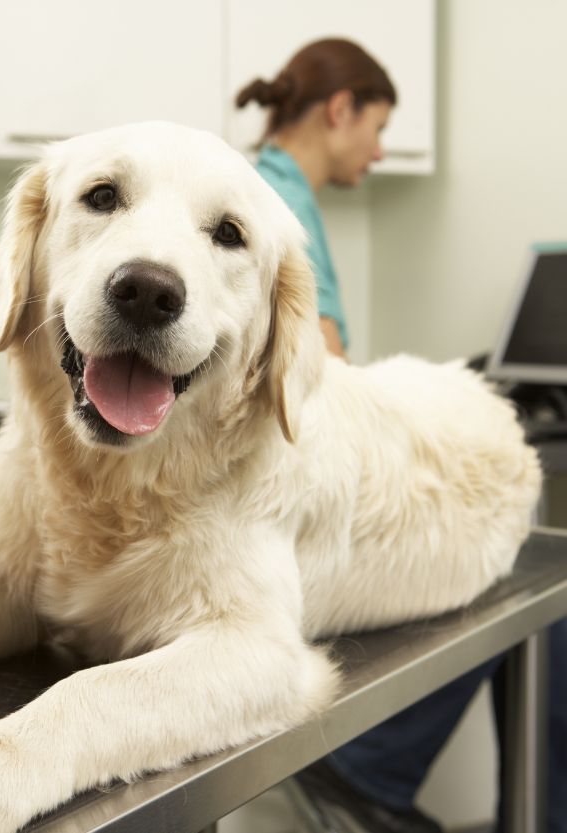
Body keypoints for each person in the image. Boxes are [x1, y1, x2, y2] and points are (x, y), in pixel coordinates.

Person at [236, 38, 566, 833]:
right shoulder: (275, 204)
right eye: (376, 126)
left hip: (268, 498)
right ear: (339, 109)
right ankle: (372, 766)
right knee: (515, 569)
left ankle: (388, 771)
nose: (380, 150)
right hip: (272, 515)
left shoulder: (265, 191)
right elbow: (319, 382)